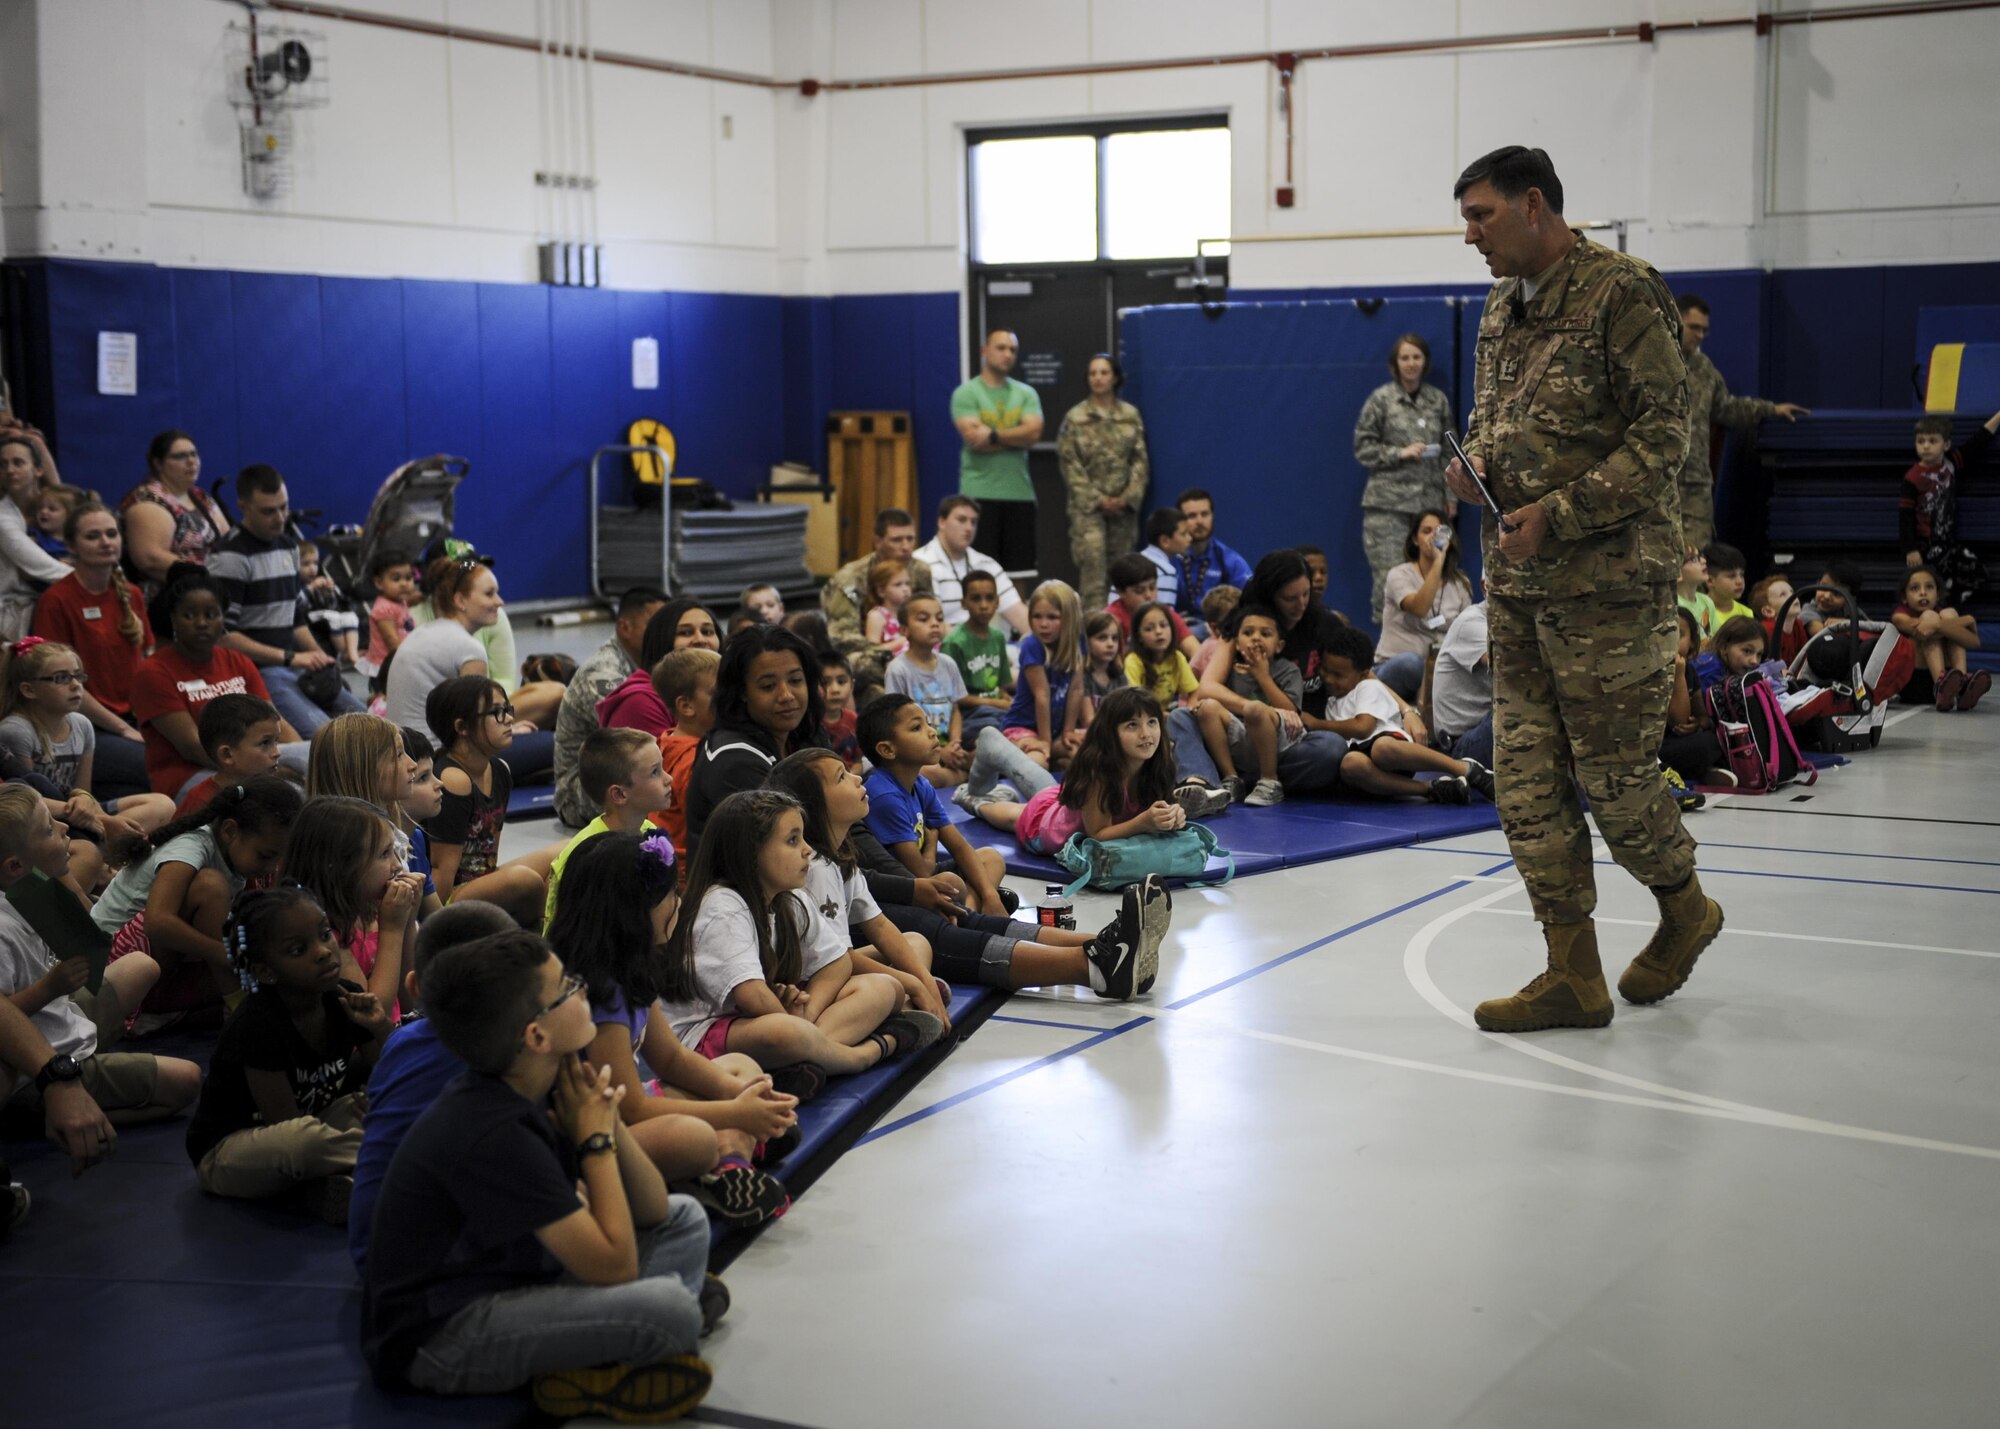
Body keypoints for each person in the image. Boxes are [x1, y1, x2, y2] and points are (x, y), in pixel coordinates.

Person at [1447, 144, 1718, 1033]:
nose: (1470, 234)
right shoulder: (1498, 307)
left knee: (1613, 778)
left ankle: (1685, 908)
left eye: (1481, 215)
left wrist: (1557, 514)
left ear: (1535, 205)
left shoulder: (1623, 294)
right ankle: (1573, 971)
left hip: (1607, 590)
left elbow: (1663, 441)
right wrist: (1477, 463)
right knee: (1523, 781)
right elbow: (1494, 418)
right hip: (1520, 589)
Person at [359, 927, 718, 1417]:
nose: (581, 988)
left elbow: (653, 1208)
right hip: (438, 1337)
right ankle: (592, 1371)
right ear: (536, 1035)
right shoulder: (489, 1129)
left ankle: (595, 1352)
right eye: (567, 988)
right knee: (672, 1311)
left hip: (510, 1280)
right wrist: (594, 1142)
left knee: (685, 1220)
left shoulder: (548, 1078)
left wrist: (606, 1117)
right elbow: (616, 1266)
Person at [767, 749, 1158, 1002]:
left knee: (964, 911)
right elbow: (845, 948)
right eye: (842, 778)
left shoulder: (841, 853)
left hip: (875, 924)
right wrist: (917, 981)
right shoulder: (813, 868)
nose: (857, 779)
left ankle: (1104, 943)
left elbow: (877, 890)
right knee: (935, 932)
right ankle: (1095, 966)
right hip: (830, 971)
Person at [548, 832, 795, 1225]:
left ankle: (727, 1163)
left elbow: (671, 1057)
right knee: (693, 1139)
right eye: (670, 896)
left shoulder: (628, 966)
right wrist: (735, 1112)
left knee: (742, 1069)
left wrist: (745, 1097)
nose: (678, 903)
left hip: (623, 1112)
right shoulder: (600, 995)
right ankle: (721, 1164)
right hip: (585, 1136)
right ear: (635, 912)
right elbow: (631, 1110)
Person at [662, 788, 936, 1078]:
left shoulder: (790, 899)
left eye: (804, 838)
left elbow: (838, 962)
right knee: (784, 1032)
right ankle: (866, 1052)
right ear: (751, 853)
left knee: (884, 987)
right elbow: (752, 996)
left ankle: (807, 1060)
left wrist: (808, 1014)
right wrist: (795, 1024)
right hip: (706, 1034)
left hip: (769, 1020)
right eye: (793, 840)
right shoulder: (723, 905)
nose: (807, 849)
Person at [183, 885, 389, 1222]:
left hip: (313, 1126)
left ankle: (335, 1183)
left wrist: (380, 1028)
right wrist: (385, 1126)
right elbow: (287, 1124)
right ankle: (395, 1151)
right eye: (298, 949)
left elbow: (394, 1071)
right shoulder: (256, 1023)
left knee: (376, 1100)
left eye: (325, 935)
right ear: (266, 971)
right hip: (233, 1152)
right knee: (303, 1142)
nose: (323, 951)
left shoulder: (344, 999)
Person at [0, 787, 201, 1128]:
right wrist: (51, 987)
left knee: (141, 965)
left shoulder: (31, 887)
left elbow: (90, 942)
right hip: (40, 1062)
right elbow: (7, 1021)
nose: (65, 829)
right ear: (15, 864)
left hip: (62, 1020)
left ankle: (90, 1062)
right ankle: (41, 1114)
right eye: (49, 830)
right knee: (189, 1081)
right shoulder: (3, 931)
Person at [348, 899, 515, 1273]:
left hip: (370, 1248)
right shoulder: (501, 1054)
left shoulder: (399, 1041)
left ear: (415, 986)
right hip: (429, 1270)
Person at [92, 775, 302, 1020]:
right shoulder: (190, 848)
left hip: (150, 966)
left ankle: (227, 1005)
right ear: (230, 831)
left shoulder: (236, 856)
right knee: (210, 887)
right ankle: (240, 1010)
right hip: (108, 969)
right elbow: (158, 923)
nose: (271, 867)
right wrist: (224, 953)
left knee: (267, 975)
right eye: (266, 856)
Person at [1165, 550, 1350, 798]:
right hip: (1233, 735)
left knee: (1330, 749)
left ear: (1280, 644)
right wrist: (1257, 709)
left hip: (1286, 741)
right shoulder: (1245, 621)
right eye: (1290, 598)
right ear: (1270, 596)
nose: (1301, 604)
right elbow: (1208, 687)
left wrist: (1405, 710)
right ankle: (1201, 782)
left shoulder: (1321, 624)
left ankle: (1242, 780)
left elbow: (1362, 671)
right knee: (1179, 717)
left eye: (1306, 594)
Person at [205, 465, 365, 737]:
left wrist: (321, 657)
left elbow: (296, 618)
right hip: (257, 672)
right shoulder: (229, 556)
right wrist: (294, 658)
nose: (280, 518)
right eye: (268, 511)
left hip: (291, 665)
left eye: (284, 507)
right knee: (326, 737)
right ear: (243, 506)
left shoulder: (289, 546)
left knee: (371, 724)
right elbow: (223, 637)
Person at [130, 569, 305, 800]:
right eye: (190, 615)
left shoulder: (237, 660)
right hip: (192, 775)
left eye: (211, 614)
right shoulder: (153, 672)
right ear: (173, 618)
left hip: (255, 761)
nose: (202, 623)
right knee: (288, 793)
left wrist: (299, 754)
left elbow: (275, 721)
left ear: (223, 618)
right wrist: (262, 772)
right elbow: (193, 746)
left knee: (317, 756)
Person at [389, 555, 553, 784]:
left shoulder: (424, 632)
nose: (500, 601)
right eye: (489, 594)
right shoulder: (469, 649)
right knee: (554, 744)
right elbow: (478, 730)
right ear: (461, 600)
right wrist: (512, 731)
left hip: (407, 756)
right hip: (438, 761)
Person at [33, 501, 155, 800]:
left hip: (135, 719)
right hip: (86, 728)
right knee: (159, 766)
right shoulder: (57, 601)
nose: (105, 542)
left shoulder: (133, 594)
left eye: (112, 533)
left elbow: (148, 662)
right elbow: (61, 686)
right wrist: (123, 729)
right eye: (93, 536)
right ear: (72, 545)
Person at [0, 637, 173, 843]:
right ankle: (102, 848)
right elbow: (28, 803)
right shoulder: (16, 731)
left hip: (78, 810)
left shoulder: (82, 724)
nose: (76, 685)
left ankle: (102, 845)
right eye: (61, 678)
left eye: (78, 676)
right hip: (48, 818)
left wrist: (91, 811)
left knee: (163, 804)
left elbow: (84, 792)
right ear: (28, 690)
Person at [1675, 294, 1810, 551]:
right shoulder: (1651, 361)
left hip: (1694, 484)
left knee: (1696, 555)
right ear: (1676, 320)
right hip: (1656, 479)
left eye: (1705, 329)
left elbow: (1726, 408)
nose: (1701, 335)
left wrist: (1771, 409)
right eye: (1694, 327)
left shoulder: (1704, 369)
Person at [422, 676, 560, 927]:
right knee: (525, 880)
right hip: (452, 895)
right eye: (496, 713)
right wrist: (436, 927)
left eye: (507, 710)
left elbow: (490, 853)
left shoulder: (499, 770)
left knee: (570, 849)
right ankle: (539, 931)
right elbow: (441, 868)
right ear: (461, 727)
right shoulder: (453, 779)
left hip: (483, 879)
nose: (508, 719)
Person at [683, 624, 827, 854]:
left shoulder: (807, 733)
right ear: (741, 692)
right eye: (768, 686)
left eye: (795, 680)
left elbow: (851, 829)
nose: (786, 695)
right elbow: (789, 853)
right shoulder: (734, 761)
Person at [858, 695, 1008, 915]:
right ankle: (970, 917)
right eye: (917, 727)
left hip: (925, 876)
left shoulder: (920, 783)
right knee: (950, 881)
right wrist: (930, 850)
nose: (932, 732)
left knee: (991, 858)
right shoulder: (884, 796)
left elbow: (958, 846)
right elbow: (920, 875)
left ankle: (971, 913)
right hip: (904, 889)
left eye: (928, 723)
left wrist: (990, 895)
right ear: (888, 750)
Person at [1319, 624, 1494, 805]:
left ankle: (1466, 769)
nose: (1329, 679)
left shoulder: (1368, 686)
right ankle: (1432, 789)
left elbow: (1363, 727)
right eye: (1324, 670)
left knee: (1382, 748)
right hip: (1364, 762)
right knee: (1351, 764)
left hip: (1389, 750)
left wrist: (1314, 723)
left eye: (1338, 675)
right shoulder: (1333, 700)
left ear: (1364, 674)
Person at [284, 796, 426, 1016]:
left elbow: (407, 1002)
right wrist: (393, 929)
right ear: (339, 866)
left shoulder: (371, 910)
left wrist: (408, 919)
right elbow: (374, 1014)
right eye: (384, 854)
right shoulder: (325, 932)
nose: (398, 865)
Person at [1353, 333, 1456, 618]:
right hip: (1388, 509)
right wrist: (1399, 453)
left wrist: (1451, 498)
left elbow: (1451, 451)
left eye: (1416, 357)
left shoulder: (1437, 401)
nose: (1411, 364)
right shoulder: (1381, 400)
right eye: (1405, 358)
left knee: (1432, 576)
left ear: (1425, 362)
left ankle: (1428, 654)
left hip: (1429, 507)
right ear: (1395, 364)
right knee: (1389, 581)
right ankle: (1388, 653)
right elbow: (1363, 449)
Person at [551, 587, 669, 828]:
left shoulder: (653, 663)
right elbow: (629, 752)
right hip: (581, 791)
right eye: (655, 625)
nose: (662, 634)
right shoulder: (603, 674)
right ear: (625, 628)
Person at [543, 726, 670, 930]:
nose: (668, 779)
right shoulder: (588, 858)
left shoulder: (649, 830)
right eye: (655, 772)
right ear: (619, 795)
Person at [1058, 354, 1150, 607]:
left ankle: (1123, 635)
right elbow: (1070, 464)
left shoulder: (1130, 415)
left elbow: (1140, 460)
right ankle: (1093, 636)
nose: (1098, 378)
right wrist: (1097, 499)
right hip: (1089, 511)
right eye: (1092, 373)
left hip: (1123, 509)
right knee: (1093, 576)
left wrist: (1128, 497)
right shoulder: (1076, 418)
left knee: (1124, 575)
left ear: (1115, 377)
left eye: (1103, 373)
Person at [950, 328, 1044, 571]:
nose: (1007, 354)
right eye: (1001, 348)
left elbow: (1033, 434)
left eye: (1012, 350)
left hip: (1019, 494)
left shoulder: (1026, 393)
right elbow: (974, 440)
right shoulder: (966, 393)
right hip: (979, 494)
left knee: (1020, 573)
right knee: (980, 573)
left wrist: (992, 435)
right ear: (985, 351)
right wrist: (1017, 437)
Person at [1191, 604, 1300, 808]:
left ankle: (1270, 780)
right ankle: (1231, 778)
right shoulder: (1231, 671)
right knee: (1207, 706)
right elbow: (1209, 696)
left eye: (1265, 633)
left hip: (1280, 735)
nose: (1256, 638)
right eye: (1248, 633)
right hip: (1242, 736)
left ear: (1279, 645)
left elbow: (1290, 710)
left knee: (1255, 708)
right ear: (1238, 644)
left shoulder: (1288, 670)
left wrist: (1262, 675)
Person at [821, 509, 936, 695]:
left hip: (911, 644)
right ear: (878, 541)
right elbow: (841, 636)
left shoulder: (920, 571)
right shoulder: (851, 577)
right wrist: (889, 651)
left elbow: (928, 613)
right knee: (857, 661)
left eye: (910, 539)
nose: (905, 546)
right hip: (871, 650)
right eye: (897, 540)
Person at [1901, 408, 2000, 611]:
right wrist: (1910, 548)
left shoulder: (1951, 464)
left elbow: (1978, 441)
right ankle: (1936, 616)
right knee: (1930, 585)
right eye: (1921, 441)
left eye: (1932, 441)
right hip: (1925, 546)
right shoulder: (1912, 478)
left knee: (1977, 573)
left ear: (1946, 444)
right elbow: (1905, 516)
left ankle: (1946, 611)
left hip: (1948, 543)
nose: (1926, 446)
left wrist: (1998, 416)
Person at [1376, 508, 1474, 700]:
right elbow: (1420, 607)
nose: (1433, 537)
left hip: (1439, 673)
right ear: (1415, 539)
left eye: (1438, 532)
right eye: (1426, 531)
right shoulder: (1399, 575)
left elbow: (1465, 633)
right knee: (1412, 664)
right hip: (1395, 668)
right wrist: (1439, 560)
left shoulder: (1461, 583)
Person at [119, 431, 231, 595]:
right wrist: (204, 575)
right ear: (158, 463)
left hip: (212, 590)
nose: (192, 461)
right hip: (170, 598)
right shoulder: (147, 500)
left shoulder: (201, 496)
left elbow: (228, 540)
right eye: (180, 456)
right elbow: (150, 559)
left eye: (194, 454)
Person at [595, 597, 721, 742]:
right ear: (662, 639)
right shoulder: (640, 702)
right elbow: (664, 762)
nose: (700, 639)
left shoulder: (720, 686)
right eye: (685, 633)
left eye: (707, 631)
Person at [884, 593, 971, 787]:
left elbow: (955, 709)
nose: (934, 624)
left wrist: (954, 744)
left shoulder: (948, 663)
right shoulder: (898, 670)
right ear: (904, 630)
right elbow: (900, 724)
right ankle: (964, 776)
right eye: (924, 619)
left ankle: (962, 768)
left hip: (950, 746)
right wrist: (939, 752)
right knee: (926, 773)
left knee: (985, 744)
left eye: (939, 618)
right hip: (918, 752)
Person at [999, 580, 1086, 770]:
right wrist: (1045, 741)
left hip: (1054, 731)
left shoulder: (1077, 643)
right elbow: (1042, 694)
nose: (1043, 624)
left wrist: (1069, 731)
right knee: (1037, 763)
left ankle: (1056, 760)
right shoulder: (1032, 645)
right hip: (1023, 728)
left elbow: (1076, 689)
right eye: (1037, 617)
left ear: (1069, 619)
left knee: (1086, 755)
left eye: (1052, 617)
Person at [912, 495, 1029, 635]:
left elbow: (1020, 615)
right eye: (961, 520)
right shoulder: (920, 563)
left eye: (973, 522)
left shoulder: (988, 564)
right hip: (941, 648)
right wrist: (972, 646)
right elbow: (930, 624)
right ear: (941, 522)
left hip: (981, 646)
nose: (969, 528)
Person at [0, 434, 70, 642]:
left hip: (53, 596)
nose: (10, 470)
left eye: (18, 462)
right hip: (12, 607)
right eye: (3, 465)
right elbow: (41, 567)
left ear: (38, 470)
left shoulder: (56, 507)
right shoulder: (3, 517)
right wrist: (101, 579)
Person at [1892, 564, 1986, 711]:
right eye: (1915, 588)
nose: (1923, 593)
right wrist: (1967, 620)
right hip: (1915, 683)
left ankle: (1961, 686)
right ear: (1904, 598)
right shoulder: (1900, 616)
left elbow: (1975, 642)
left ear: (1938, 594)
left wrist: (1938, 625)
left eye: (1929, 587)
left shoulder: (1943, 614)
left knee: (1949, 613)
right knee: (1930, 617)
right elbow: (1924, 631)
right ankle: (1940, 687)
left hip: (1950, 679)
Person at [175, 693, 283, 816]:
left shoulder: (272, 790)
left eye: (276, 741)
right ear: (227, 755)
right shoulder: (202, 803)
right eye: (264, 743)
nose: (277, 753)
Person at [940, 569, 1012, 747]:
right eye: (976, 598)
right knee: (998, 735)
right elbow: (953, 697)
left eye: (990, 598)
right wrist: (997, 703)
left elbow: (1000, 686)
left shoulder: (998, 637)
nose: (984, 605)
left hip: (996, 710)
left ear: (998, 602)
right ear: (964, 603)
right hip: (970, 716)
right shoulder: (954, 643)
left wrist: (1010, 702)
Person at [1172, 489, 1253, 633]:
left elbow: (1250, 603)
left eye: (1205, 514)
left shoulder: (1230, 561)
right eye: (1191, 516)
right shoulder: (1170, 558)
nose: (1200, 521)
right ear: (1179, 521)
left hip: (1217, 630)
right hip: (1175, 627)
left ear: (1212, 516)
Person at [1430, 601, 1493, 770]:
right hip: (1463, 743)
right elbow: (1508, 666)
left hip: (1486, 727)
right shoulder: (1472, 622)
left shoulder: (1520, 621)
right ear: (1485, 587)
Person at [1107, 554, 1200, 664]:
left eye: (1152, 587)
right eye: (1139, 591)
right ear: (1121, 592)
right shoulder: (1112, 619)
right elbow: (1115, 665)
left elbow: (1194, 649)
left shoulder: (1162, 612)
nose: (1149, 595)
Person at [296, 540, 361, 668]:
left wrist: (331, 592)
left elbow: (335, 605)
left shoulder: (319, 579)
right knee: (333, 617)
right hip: (304, 618)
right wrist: (311, 588)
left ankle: (352, 654)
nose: (312, 568)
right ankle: (342, 654)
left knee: (350, 616)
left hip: (320, 614)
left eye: (315, 563)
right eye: (306, 564)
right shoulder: (294, 583)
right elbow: (296, 604)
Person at [362, 549, 419, 677]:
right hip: (386, 667)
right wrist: (411, 661)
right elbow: (391, 640)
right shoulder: (383, 609)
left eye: (408, 577)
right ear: (379, 583)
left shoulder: (400, 601)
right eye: (396, 579)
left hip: (399, 660)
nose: (404, 584)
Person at [1137, 508, 1190, 615]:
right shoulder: (1166, 571)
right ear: (1165, 541)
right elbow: (1163, 619)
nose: (1190, 538)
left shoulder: (1134, 559)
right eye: (1184, 534)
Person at [818, 652, 861, 770]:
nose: (835, 690)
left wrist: (851, 778)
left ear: (852, 685)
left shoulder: (854, 720)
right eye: (825, 683)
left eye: (841, 682)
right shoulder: (809, 723)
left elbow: (858, 762)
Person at [862, 560, 913, 658]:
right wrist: (901, 642)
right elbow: (872, 651)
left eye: (908, 584)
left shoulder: (911, 612)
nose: (905, 589)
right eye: (898, 584)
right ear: (881, 591)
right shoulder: (877, 615)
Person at [1702, 542, 1756, 625]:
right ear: (1710, 580)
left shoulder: (1747, 613)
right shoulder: (1698, 611)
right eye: (1731, 576)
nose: (1739, 581)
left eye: (1741, 575)